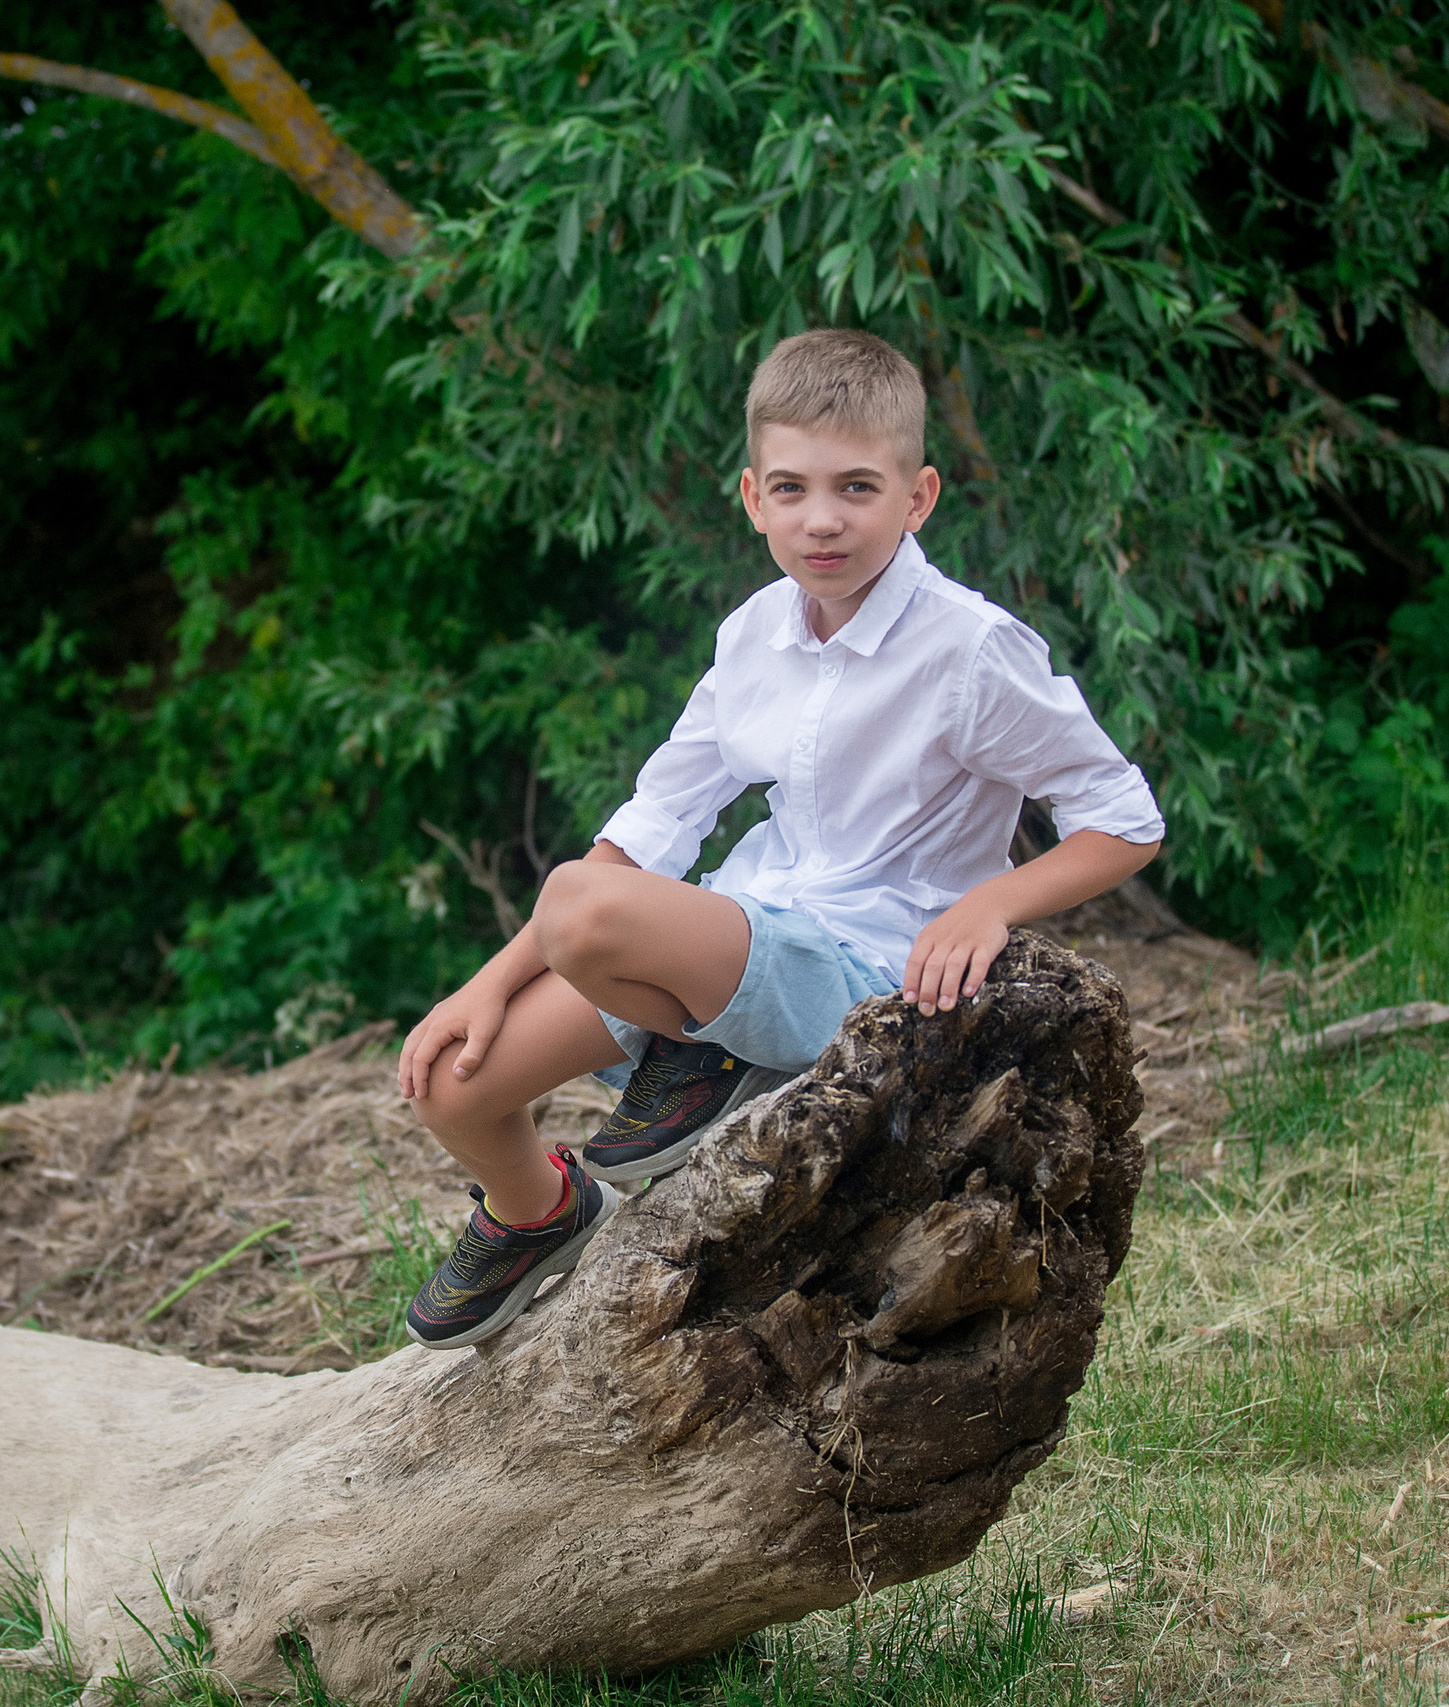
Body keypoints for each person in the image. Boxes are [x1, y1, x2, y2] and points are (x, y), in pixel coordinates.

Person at [393, 327, 1167, 1351]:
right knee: (452, 1082)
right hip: (745, 937)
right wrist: (487, 985)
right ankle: (543, 1210)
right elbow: (657, 819)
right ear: (754, 498)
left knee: (578, 904)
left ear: (917, 497)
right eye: (793, 489)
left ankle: (720, 1056)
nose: (823, 519)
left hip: (870, 970)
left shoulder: (970, 647)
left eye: (857, 488)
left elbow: (1123, 817)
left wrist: (991, 903)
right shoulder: (755, 632)